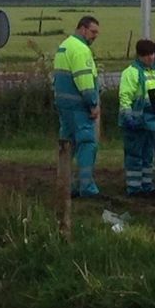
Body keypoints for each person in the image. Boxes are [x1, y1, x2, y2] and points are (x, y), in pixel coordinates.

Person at [53, 16, 102, 197]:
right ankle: (87, 187)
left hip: (64, 105)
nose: (95, 36)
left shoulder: (64, 46)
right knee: (87, 144)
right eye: (93, 32)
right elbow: (85, 81)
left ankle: (66, 183)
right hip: (79, 106)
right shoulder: (81, 50)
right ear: (82, 29)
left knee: (67, 144)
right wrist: (93, 103)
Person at [119, 39, 155, 197]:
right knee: (134, 156)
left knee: (148, 156)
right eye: (146, 55)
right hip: (136, 122)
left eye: (152, 54)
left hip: (152, 122)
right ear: (139, 56)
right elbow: (125, 97)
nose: (150, 58)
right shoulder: (131, 73)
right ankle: (134, 188)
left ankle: (147, 186)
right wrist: (128, 117)